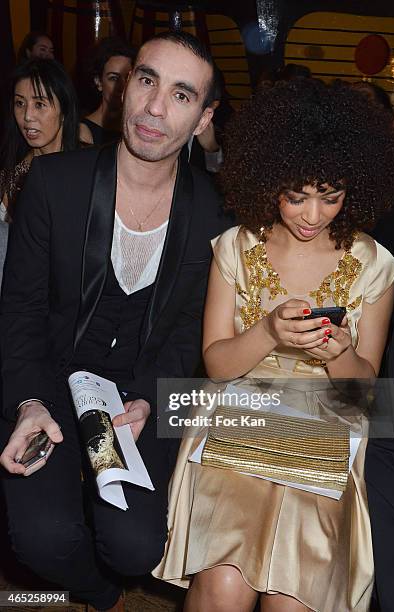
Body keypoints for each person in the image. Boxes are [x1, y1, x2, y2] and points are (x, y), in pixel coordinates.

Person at [0, 30, 230, 611]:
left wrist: (152, 400)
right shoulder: (55, 184)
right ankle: (95, 589)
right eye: (147, 81)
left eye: (182, 95)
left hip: (129, 399)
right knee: (41, 540)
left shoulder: (212, 211)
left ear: (204, 116)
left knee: (133, 548)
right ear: (127, 86)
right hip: (50, 385)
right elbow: (20, 309)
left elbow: (188, 336)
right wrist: (28, 401)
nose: (155, 108)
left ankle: (112, 570)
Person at [153, 78, 394, 612]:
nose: (313, 216)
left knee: (293, 598)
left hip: (327, 427)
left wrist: (338, 351)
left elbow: (363, 392)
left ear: (354, 186)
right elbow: (217, 365)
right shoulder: (237, 247)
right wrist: (266, 332)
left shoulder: (374, 264)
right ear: (270, 181)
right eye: (296, 197)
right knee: (222, 587)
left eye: (331, 197)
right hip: (242, 413)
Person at [0, 58, 82, 284]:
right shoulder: (10, 173)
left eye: (39, 104)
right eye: (19, 103)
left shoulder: (89, 168)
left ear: (64, 108)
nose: (27, 116)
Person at [80, 37, 137, 145]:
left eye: (127, 78)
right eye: (113, 78)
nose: (122, 86)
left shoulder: (135, 129)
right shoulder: (82, 132)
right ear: (99, 82)